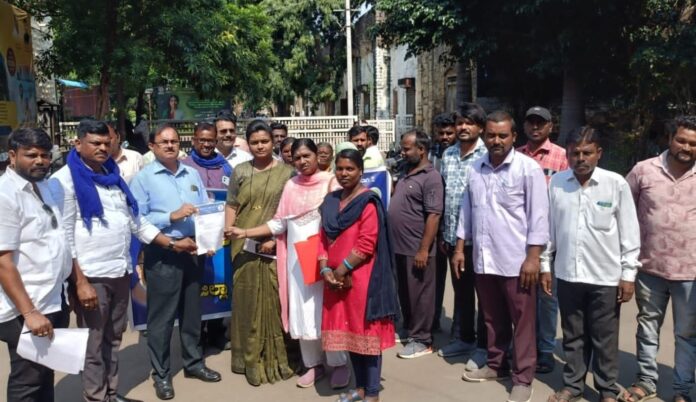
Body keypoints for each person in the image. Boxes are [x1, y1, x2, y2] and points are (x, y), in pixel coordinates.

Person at [50, 119, 195, 402]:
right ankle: (96, 397)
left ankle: (111, 393)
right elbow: (64, 236)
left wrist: (172, 244)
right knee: (93, 342)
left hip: (119, 269)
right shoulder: (64, 181)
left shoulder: (112, 176)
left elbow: (136, 222)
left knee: (113, 338)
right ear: (78, 144)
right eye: (95, 143)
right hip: (91, 275)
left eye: (107, 143)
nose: (103, 148)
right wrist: (79, 282)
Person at [228, 139, 350, 389]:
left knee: (326, 310)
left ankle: (338, 363)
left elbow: (342, 223)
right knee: (302, 310)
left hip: (324, 260)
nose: (303, 161)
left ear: (317, 156)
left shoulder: (331, 183)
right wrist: (245, 232)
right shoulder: (291, 186)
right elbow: (279, 223)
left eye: (307, 156)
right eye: (297, 158)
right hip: (296, 261)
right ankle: (313, 364)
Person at [454, 111, 548, 402]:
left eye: (502, 135)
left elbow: (539, 216)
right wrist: (459, 247)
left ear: (514, 137)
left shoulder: (528, 169)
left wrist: (533, 259)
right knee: (492, 318)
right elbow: (467, 210)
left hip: (516, 261)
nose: (496, 140)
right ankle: (497, 365)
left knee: (523, 322)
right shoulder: (476, 168)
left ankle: (523, 378)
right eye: (491, 135)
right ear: (485, 136)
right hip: (484, 259)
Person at [544, 126, 640, 402]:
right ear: (568, 154)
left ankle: (607, 388)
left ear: (599, 153)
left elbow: (630, 232)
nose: (581, 159)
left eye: (587, 153)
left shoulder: (615, 184)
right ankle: (573, 386)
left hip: (605, 277)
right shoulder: (557, 183)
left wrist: (628, 275)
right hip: (568, 274)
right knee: (573, 335)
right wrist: (544, 266)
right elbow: (549, 230)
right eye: (575, 153)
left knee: (604, 337)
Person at [130, 124, 221, 400]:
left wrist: (209, 239)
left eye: (174, 141)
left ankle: (193, 363)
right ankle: (161, 374)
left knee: (192, 313)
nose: (170, 146)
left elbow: (204, 209)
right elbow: (137, 219)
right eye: (164, 142)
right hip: (164, 252)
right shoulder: (143, 178)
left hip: (193, 251)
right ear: (152, 146)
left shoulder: (191, 173)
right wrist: (171, 216)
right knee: (162, 319)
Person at [622, 116, 696, 402]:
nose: (686, 147)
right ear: (670, 139)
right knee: (647, 328)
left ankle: (682, 390)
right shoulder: (644, 170)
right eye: (681, 140)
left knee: (687, 334)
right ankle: (646, 382)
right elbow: (623, 211)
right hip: (649, 268)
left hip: (690, 273)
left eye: (693, 143)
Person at [318, 149, 399, 402]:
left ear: (360, 172)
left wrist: (340, 270)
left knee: (366, 334)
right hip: (335, 280)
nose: (344, 173)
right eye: (340, 169)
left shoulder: (368, 202)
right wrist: (325, 269)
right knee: (350, 334)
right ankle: (361, 388)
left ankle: (372, 392)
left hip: (363, 279)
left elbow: (366, 243)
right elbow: (322, 238)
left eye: (350, 169)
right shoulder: (330, 201)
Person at [0, 128, 72, 402]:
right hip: (26, 306)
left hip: (53, 299)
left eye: (45, 155)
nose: (40, 161)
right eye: (31, 155)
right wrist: (30, 312)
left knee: (44, 373)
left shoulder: (44, 185)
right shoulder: (5, 194)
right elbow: (3, 261)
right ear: (12, 156)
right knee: (27, 381)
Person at [223, 119, 295, 386]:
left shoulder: (287, 173)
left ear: (273, 141)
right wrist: (228, 231)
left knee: (275, 299)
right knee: (246, 301)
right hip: (242, 246)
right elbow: (232, 204)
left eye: (265, 141)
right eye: (254, 142)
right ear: (248, 144)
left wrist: (275, 238)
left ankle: (277, 357)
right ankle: (247, 360)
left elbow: (290, 212)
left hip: (275, 245)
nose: (260, 146)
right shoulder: (240, 171)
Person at [517, 106, 569, 374]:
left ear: (550, 126)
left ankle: (546, 349)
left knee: (547, 298)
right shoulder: (516, 156)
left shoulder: (562, 156)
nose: (535, 127)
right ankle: (524, 346)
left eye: (541, 123)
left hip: (551, 240)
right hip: (519, 238)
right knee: (523, 296)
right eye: (531, 122)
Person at [438, 105, 488, 367]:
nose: (463, 128)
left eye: (469, 123)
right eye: (460, 123)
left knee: (486, 295)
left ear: (480, 127)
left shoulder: (487, 154)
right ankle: (464, 338)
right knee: (462, 292)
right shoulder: (448, 154)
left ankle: (485, 346)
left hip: (480, 239)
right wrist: (444, 234)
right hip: (452, 237)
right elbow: (445, 193)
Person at [389, 130, 444, 359]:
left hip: (417, 247)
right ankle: (410, 328)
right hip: (399, 246)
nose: (402, 152)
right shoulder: (405, 172)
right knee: (405, 291)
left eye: (406, 148)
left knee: (421, 294)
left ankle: (422, 339)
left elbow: (434, 215)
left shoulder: (431, 177)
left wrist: (424, 249)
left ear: (421, 150)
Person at [429, 112, 458, 334]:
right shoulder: (430, 152)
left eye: (449, 133)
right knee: (435, 278)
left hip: (456, 227)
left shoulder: (459, 155)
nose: (445, 137)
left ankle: (460, 326)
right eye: (441, 133)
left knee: (460, 280)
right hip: (435, 226)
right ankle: (433, 319)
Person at [182, 121, 232, 189]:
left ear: (216, 142)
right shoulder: (183, 166)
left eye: (210, 141)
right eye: (202, 140)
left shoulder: (224, 166)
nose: (206, 145)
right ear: (193, 141)